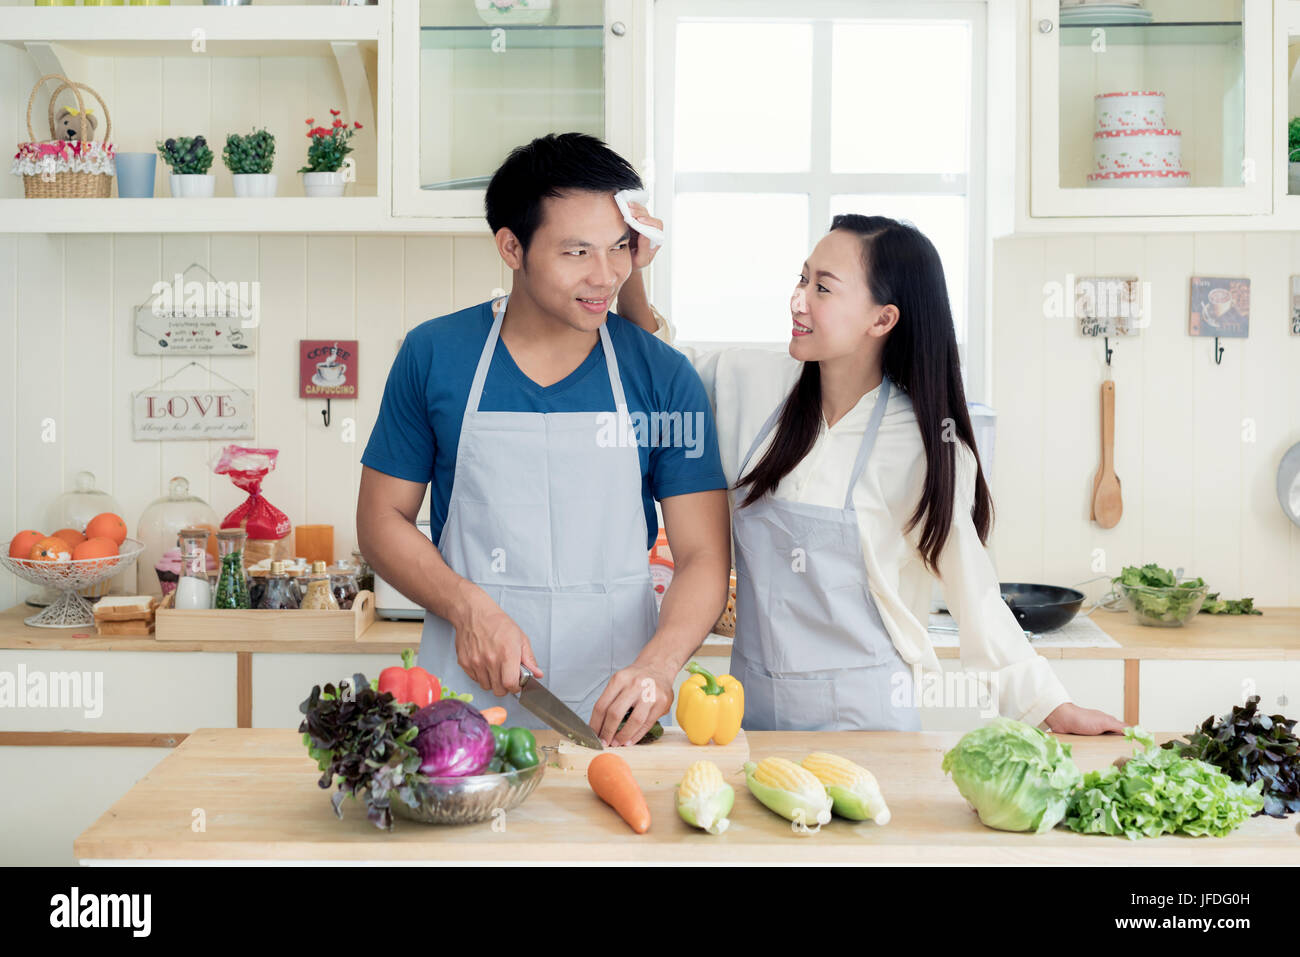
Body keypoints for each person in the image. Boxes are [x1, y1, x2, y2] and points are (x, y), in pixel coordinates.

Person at [618, 206, 1125, 734]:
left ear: (882, 319)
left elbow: (974, 596)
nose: (798, 300)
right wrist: (629, 267)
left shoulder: (927, 446)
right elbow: (657, 366)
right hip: (754, 712)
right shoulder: (749, 381)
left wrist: (1049, 706)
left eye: (824, 288)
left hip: (869, 719)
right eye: (802, 278)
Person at [357, 134, 731, 747]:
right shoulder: (435, 355)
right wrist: (468, 609)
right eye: (576, 251)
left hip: (620, 708)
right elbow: (380, 520)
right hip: (466, 698)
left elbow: (704, 556)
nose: (604, 275)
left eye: (618, 249)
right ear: (512, 247)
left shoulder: (661, 375)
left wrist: (660, 668)